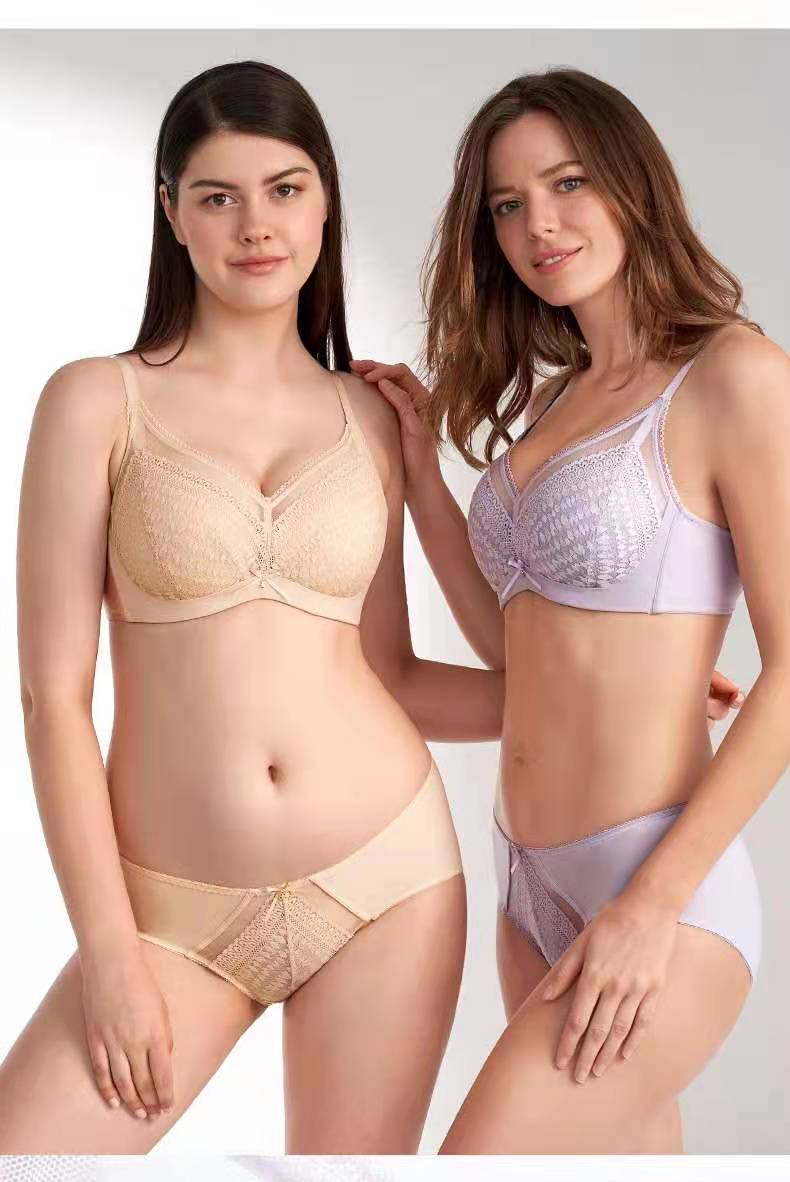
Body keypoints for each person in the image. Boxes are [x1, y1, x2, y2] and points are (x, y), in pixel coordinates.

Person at [0, 59, 492, 1154]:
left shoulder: (372, 418)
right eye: (217, 196)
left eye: (284, 189)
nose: (255, 225)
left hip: (387, 881)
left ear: (324, 204)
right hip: (170, 913)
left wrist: (607, 701)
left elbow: (393, 677)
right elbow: (51, 701)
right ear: (171, 212)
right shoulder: (96, 401)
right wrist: (111, 957)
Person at [351, 67, 789, 1153]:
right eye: (507, 204)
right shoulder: (558, 400)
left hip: (655, 888)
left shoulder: (733, 375)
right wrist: (421, 479)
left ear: (634, 182)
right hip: (529, 884)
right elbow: (515, 645)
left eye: (568, 183)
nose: (538, 226)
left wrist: (649, 907)